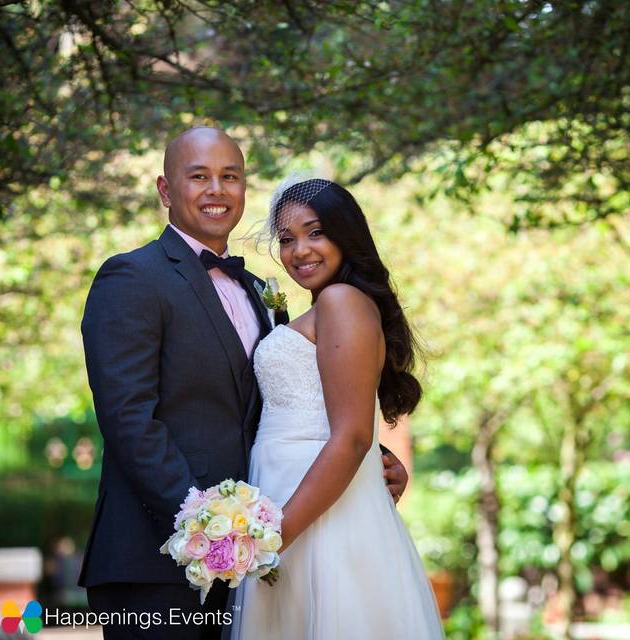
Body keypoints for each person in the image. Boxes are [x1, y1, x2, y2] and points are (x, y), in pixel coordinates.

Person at [80, 128, 408, 640]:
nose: (216, 190)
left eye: (229, 177)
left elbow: (284, 403)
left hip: (253, 561)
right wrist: (208, 530)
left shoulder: (261, 292)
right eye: (199, 177)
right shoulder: (131, 278)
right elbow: (128, 419)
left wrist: (372, 463)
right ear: (166, 191)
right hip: (156, 559)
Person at [230, 177, 443, 639]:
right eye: (287, 239)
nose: (299, 250)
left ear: (347, 235)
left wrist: (275, 537)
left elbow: (350, 437)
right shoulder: (328, 305)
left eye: (316, 232)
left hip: (317, 514)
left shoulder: (341, 301)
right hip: (293, 493)